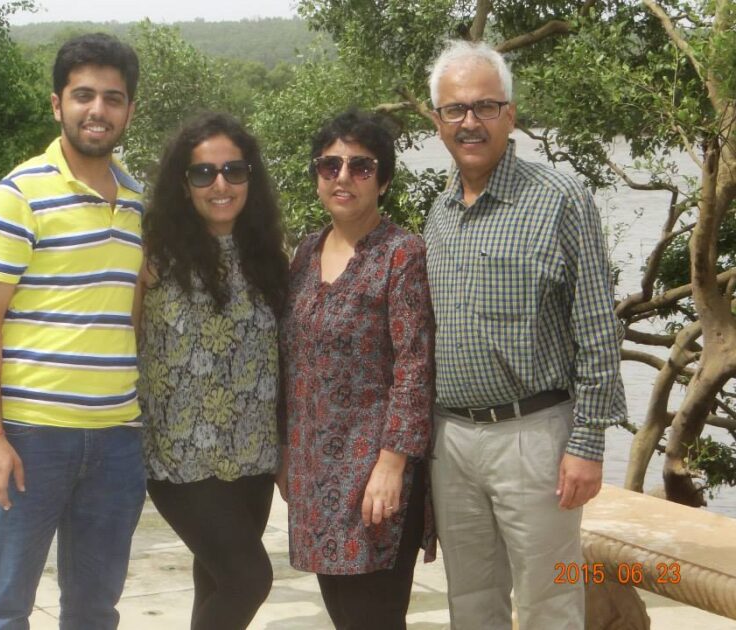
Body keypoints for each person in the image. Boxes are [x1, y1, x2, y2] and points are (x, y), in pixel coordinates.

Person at [424, 40, 627, 629]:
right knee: (471, 603)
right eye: (455, 109)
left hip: (534, 437)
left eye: (485, 106)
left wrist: (587, 443)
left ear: (511, 114)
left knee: (548, 603)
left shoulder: (560, 197)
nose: (470, 121)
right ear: (437, 122)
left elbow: (595, 325)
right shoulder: (438, 214)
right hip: (452, 439)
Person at [0, 33, 145, 629]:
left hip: (117, 442)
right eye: (84, 96)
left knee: (95, 610)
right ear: (57, 104)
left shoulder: (140, 202)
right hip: (29, 440)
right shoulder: (17, 196)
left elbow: (133, 313)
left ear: (129, 111)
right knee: (4, 608)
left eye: (113, 98)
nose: (98, 110)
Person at [278, 109, 435, 630]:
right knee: (344, 617)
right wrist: (285, 454)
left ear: (383, 180)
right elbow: (291, 360)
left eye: (361, 166)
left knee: (375, 618)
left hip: (374, 476)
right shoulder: (305, 252)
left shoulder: (401, 255)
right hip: (312, 474)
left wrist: (393, 463)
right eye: (330, 165)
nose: (343, 177)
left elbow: (414, 365)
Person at [136, 112, 288, 630]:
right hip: (180, 460)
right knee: (250, 578)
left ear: (251, 177)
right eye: (204, 173)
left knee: (218, 583)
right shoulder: (153, 257)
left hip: (253, 456)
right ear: (184, 183)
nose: (220, 184)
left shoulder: (270, 256)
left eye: (233, 171)